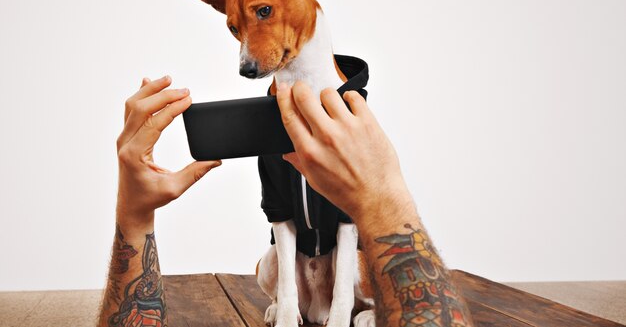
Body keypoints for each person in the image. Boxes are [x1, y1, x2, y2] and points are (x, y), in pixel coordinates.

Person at [97, 75, 474, 327]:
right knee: (267, 267)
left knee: (354, 260)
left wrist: (133, 215)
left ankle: (359, 307)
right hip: (297, 265)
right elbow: (278, 220)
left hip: (339, 262)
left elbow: (349, 229)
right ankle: (298, 303)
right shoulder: (273, 144)